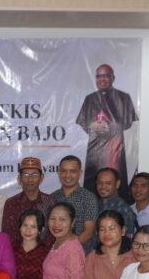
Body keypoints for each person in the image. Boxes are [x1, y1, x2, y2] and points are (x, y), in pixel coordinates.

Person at [75, 63, 138, 196]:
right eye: (99, 76)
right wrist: (92, 126)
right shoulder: (90, 98)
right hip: (95, 153)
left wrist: (109, 126)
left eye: (106, 76)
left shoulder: (124, 97)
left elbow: (128, 124)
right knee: (92, 189)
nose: (102, 79)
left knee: (116, 186)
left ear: (113, 78)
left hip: (114, 149)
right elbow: (83, 123)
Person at [2, 156, 56, 246]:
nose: (30, 179)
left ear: (41, 178)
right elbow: (8, 234)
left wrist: (41, 251)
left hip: (46, 252)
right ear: (19, 178)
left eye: (34, 175)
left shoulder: (51, 202)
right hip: (17, 252)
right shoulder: (11, 203)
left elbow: (54, 231)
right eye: (26, 175)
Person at [49, 155, 100, 251]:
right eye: (64, 171)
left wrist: (68, 249)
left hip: (81, 253)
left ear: (80, 173)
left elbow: (88, 232)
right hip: (55, 252)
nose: (67, 175)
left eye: (72, 171)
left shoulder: (89, 198)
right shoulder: (52, 198)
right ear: (59, 172)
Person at [92, 167, 137, 246]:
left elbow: (128, 242)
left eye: (108, 183)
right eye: (100, 183)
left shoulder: (124, 210)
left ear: (117, 184)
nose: (103, 187)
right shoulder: (93, 205)